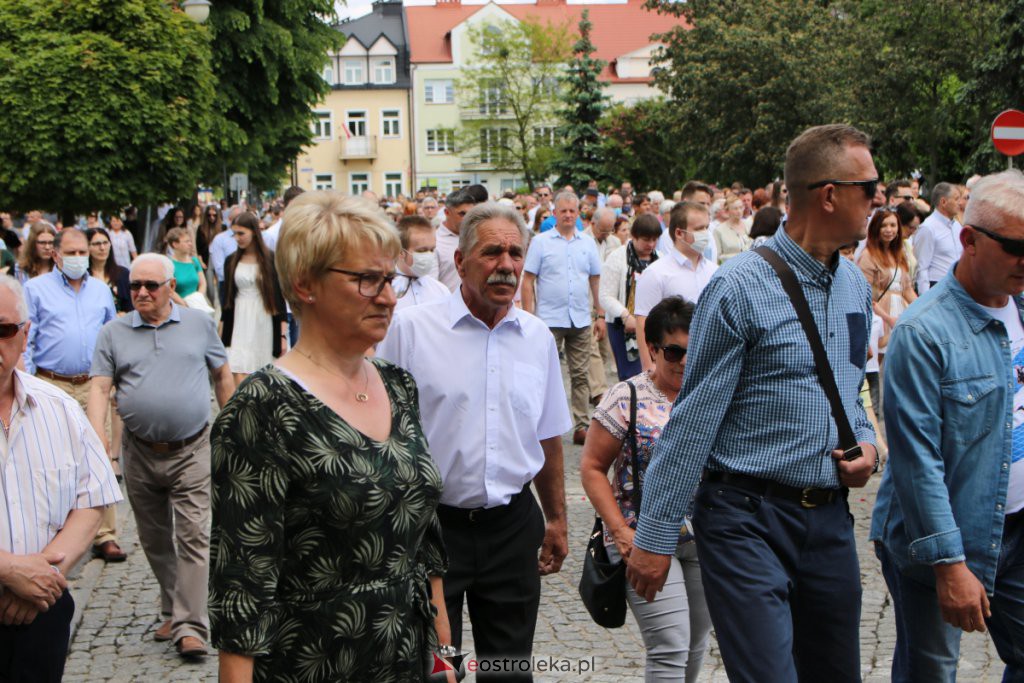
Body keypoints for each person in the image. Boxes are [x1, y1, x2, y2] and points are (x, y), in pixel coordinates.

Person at [627, 124, 879, 683]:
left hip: (829, 520)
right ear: (829, 194)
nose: (879, 199)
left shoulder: (855, 287)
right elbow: (693, 420)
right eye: (870, 186)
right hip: (746, 519)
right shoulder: (739, 286)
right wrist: (656, 535)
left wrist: (866, 443)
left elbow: (851, 392)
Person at [210, 191, 450, 681]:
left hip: (407, 661)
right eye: (366, 280)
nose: (386, 296)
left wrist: (450, 661)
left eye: (389, 279)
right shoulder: (263, 408)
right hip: (312, 665)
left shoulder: (398, 385)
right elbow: (243, 588)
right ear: (305, 285)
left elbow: (426, 548)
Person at [378, 202, 570, 681]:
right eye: (491, 253)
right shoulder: (411, 329)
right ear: (460, 261)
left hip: (511, 527)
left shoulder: (537, 338)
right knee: (439, 670)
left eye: (514, 253)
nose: (506, 264)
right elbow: (378, 431)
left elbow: (548, 435)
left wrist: (558, 519)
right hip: (431, 528)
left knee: (508, 671)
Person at [871, 169, 1024, 681]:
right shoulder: (924, 333)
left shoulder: (1020, 304)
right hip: (941, 539)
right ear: (969, 240)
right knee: (932, 671)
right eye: (1015, 246)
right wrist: (949, 565)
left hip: (1016, 522)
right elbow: (917, 463)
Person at [88, 253, 234, 659]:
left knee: (193, 535)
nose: (141, 293)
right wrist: (98, 439)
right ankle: (173, 606)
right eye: (134, 285)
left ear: (171, 286)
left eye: (151, 285)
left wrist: (235, 429)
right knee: (154, 538)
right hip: (139, 451)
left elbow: (222, 375)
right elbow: (100, 388)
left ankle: (190, 626)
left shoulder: (199, 325)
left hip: (192, 448)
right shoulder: (113, 332)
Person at [581, 296, 711, 681]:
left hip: (706, 537)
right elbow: (591, 468)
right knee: (670, 645)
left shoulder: (710, 395)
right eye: (674, 352)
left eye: (694, 350)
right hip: (645, 537)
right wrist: (620, 532)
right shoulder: (628, 396)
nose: (685, 361)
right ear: (652, 349)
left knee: (695, 643)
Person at [0, 274, 122, 682]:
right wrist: (9, 571)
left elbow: (91, 497)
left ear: (24, 334)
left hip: (43, 611)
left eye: (3, 330)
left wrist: (45, 578)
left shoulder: (59, 409)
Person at [23, 228, 124, 563]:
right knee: (52, 457)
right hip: (52, 382)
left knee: (100, 450)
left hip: (93, 382)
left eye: (83, 252)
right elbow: (28, 338)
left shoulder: (100, 291)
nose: (79, 258)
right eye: (72, 252)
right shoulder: (35, 289)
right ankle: (55, 530)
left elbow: (111, 335)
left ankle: (105, 534)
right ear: (56, 255)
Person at [522, 191, 604, 446]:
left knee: (580, 374)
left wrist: (599, 314)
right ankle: (540, 423)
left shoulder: (587, 243)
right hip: (548, 319)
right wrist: (528, 316)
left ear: (578, 213)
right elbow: (528, 280)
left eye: (572, 211)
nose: (568, 215)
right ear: (555, 213)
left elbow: (595, 279)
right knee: (544, 373)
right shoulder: (541, 242)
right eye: (563, 211)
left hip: (579, 318)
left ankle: (581, 425)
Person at [634, 202, 717, 371]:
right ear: (679, 233)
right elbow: (643, 323)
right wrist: (649, 368)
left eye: (707, 228)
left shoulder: (714, 272)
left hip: (708, 362)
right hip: (672, 364)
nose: (706, 234)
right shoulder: (656, 273)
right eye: (699, 229)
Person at [220, 212, 287, 383]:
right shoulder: (231, 261)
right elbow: (227, 299)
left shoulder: (270, 259)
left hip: (263, 316)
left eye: (241, 233)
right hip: (238, 317)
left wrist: (282, 336)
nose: (237, 238)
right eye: (234, 234)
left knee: (262, 371)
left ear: (254, 232)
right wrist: (221, 332)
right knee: (237, 368)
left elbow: (279, 298)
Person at [600, 214, 661, 380]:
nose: (651, 244)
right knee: (631, 376)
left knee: (656, 374)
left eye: (655, 240)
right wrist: (626, 315)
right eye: (646, 240)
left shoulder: (660, 258)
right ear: (634, 237)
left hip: (653, 324)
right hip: (623, 325)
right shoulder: (617, 258)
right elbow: (605, 295)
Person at [913, 182, 963, 293]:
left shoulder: (957, 226)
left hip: (957, 286)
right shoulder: (928, 228)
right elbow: (922, 267)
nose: (960, 203)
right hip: (937, 287)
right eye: (956, 199)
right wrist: (925, 298)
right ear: (943, 202)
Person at [394, 215, 449, 312]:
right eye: (422, 251)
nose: (429, 255)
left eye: (432, 250)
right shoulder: (386, 291)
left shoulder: (441, 291)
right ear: (400, 252)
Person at [436, 189, 477, 292]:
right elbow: (430, 284)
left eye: (471, 214)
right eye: (462, 214)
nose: (467, 218)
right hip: (446, 305)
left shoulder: (478, 237)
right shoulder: (434, 242)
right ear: (447, 212)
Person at [85, 227, 132, 314]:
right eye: (96, 244)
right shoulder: (83, 277)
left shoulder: (123, 274)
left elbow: (131, 307)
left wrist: (125, 315)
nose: (102, 248)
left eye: (105, 243)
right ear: (87, 247)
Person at [165, 227, 206, 307]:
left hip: (196, 305)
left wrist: (198, 299)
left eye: (190, 241)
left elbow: (203, 283)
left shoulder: (194, 261)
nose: (190, 244)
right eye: (186, 242)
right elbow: (169, 290)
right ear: (175, 244)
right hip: (178, 307)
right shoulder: (169, 264)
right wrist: (185, 305)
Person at [713, 196, 753, 264]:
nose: (739, 211)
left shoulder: (749, 225)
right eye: (735, 208)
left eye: (741, 207)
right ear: (727, 211)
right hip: (730, 267)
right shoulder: (718, 230)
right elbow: (717, 256)